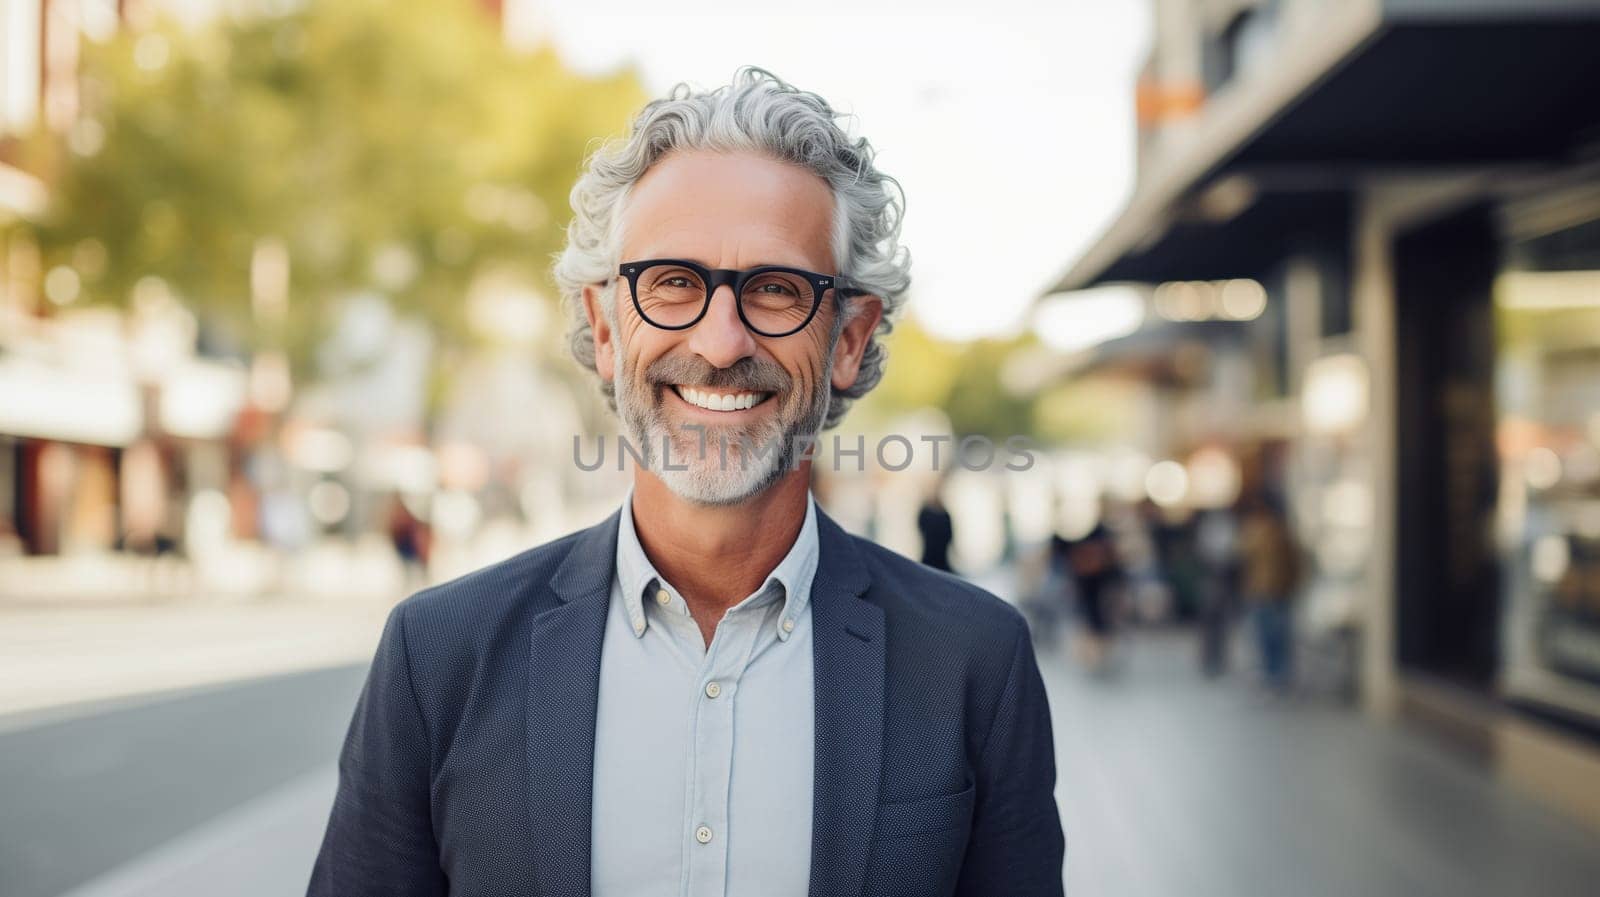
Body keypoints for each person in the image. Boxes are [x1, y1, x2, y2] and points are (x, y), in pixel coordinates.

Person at [308, 68, 1064, 897]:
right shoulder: (438, 657)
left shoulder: (974, 662)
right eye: (674, 282)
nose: (719, 341)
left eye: (776, 290)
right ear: (603, 326)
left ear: (849, 338)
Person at [916, 489, 955, 572]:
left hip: (941, 558)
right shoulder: (926, 512)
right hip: (929, 556)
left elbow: (950, 535)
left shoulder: (945, 514)